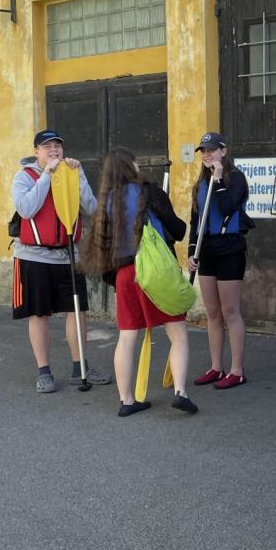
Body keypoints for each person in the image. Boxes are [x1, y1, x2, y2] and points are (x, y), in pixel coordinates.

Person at [82, 147, 195, 416]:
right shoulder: (150, 192)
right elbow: (178, 230)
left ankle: (127, 400)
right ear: (132, 165)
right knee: (177, 333)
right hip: (155, 271)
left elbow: (104, 249)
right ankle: (180, 392)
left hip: (124, 275)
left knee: (126, 338)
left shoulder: (107, 203)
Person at [11, 130, 111, 392]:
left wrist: (79, 177)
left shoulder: (72, 172)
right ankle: (43, 371)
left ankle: (80, 368)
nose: (54, 150)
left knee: (76, 312)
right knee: (39, 313)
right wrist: (47, 175)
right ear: (36, 152)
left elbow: (91, 208)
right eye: (47, 146)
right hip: (33, 256)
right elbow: (26, 209)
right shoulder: (24, 177)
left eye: (57, 146)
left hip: (69, 254)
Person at [188, 132, 250, 390]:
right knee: (212, 312)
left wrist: (219, 179)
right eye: (204, 151)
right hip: (207, 250)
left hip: (230, 249)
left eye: (211, 150)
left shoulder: (236, 179)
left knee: (230, 311)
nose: (207, 154)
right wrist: (192, 250)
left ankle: (237, 370)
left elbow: (227, 208)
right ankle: (216, 367)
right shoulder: (200, 184)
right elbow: (196, 220)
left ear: (223, 151)